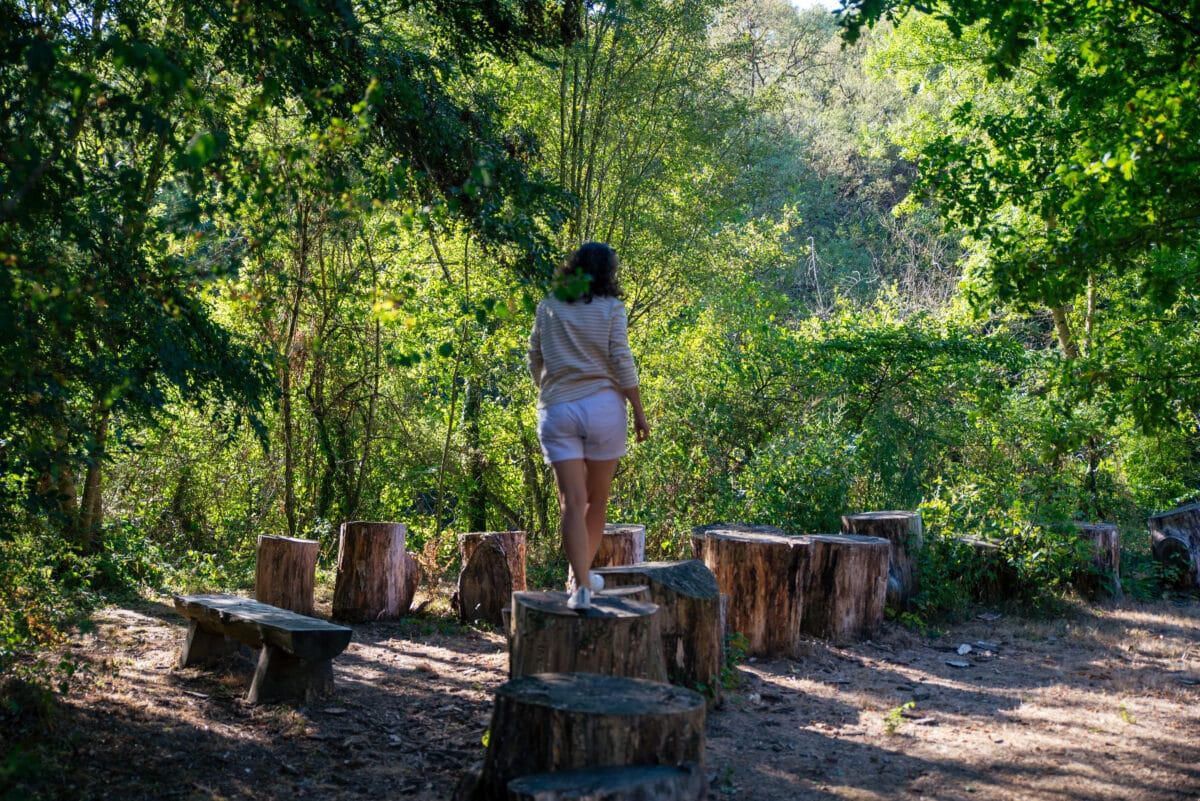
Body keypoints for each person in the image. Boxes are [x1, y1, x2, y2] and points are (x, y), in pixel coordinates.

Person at [527, 242, 650, 611]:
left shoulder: (548, 306)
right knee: (596, 501)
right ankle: (581, 582)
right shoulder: (612, 309)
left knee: (570, 502)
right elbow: (621, 360)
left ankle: (580, 583)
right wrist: (640, 413)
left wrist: (549, 387)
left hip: (558, 408)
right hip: (603, 409)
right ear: (607, 272)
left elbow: (534, 355)